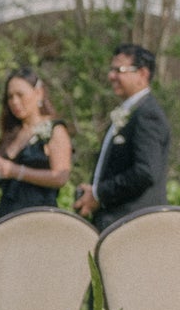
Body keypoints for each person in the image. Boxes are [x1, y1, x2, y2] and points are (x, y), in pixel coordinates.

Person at [73, 43, 170, 229]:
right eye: (111, 70)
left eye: (119, 70)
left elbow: (145, 171)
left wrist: (99, 193)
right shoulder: (130, 112)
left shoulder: (148, 114)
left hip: (132, 224)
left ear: (142, 74)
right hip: (116, 221)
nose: (111, 76)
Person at [0, 68, 73, 222]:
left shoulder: (55, 130)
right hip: (7, 213)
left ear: (38, 93)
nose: (15, 102)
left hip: (38, 214)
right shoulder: (13, 133)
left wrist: (17, 172)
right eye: (10, 97)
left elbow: (61, 176)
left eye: (20, 95)